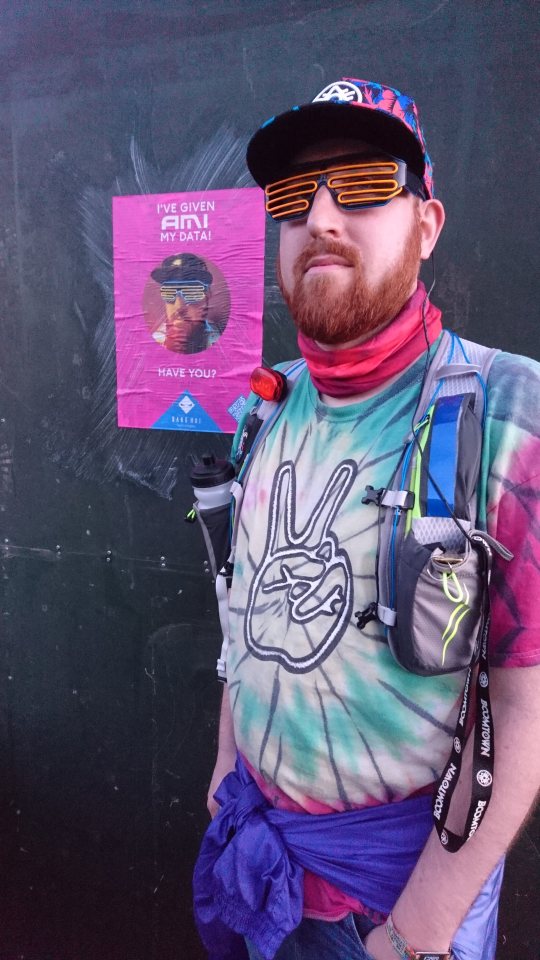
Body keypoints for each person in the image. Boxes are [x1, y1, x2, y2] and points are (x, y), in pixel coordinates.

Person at [194, 78, 540, 960]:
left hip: (389, 913)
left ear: (426, 224)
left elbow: (525, 714)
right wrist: (227, 766)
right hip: (255, 866)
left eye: (362, 185)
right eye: (292, 195)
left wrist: (412, 937)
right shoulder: (264, 407)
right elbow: (244, 611)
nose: (320, 216)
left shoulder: (509, 409)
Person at [150, 253, 221, 353]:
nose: (179, 307)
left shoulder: (223, 344)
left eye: (191, 292)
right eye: (169, 292)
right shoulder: (152, 345)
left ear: (207, 295)